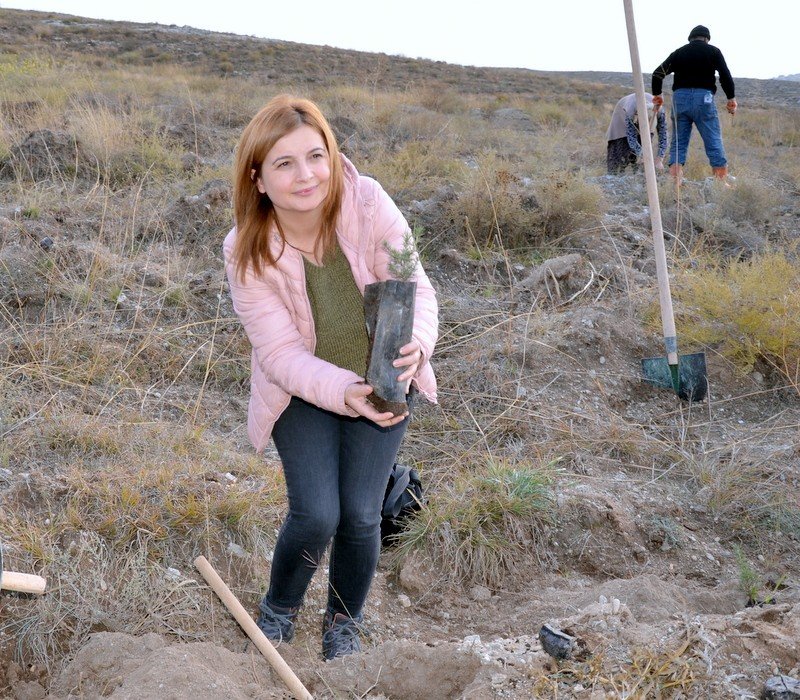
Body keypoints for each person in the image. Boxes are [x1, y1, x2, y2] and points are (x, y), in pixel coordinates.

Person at [223, 95, 438, 661]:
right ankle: (279, 609)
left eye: (315, 156)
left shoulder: (367, 202)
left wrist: (417, 347)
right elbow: (279, 353)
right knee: (318, 512)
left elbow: (415, 287)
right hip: (302, 389)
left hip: (383, 381)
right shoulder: (246, 249)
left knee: (362, 514)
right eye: (284, 163)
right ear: (259, 178)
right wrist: (340, 392)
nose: (306, 175)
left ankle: (345, 620)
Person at [652, 24, 737, 183]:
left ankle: (675, 181)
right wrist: (731, 98)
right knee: (713, 139)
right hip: (704, 99)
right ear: (706, 38)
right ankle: (721, 182)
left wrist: (658, 97)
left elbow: (657, 74)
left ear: (690, 38)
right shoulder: (713, 51)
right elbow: (725, 76)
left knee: (679, 140)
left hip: (680, 99)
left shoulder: (679, 53)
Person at [606, 92, 667, 175]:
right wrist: (643, 155)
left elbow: (663, 136)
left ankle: (640, 177)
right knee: (620, 156)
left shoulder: (659, 110)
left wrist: (660, 158)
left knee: (644, 159)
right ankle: (614, 177)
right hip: (622, 119)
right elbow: (631, 138)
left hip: (649, 124)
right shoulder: (630, 109)